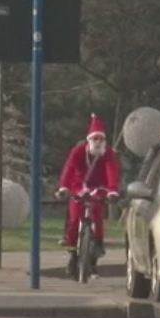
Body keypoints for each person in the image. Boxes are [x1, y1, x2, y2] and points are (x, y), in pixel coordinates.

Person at [55, 114, 120, 277]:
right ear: (89, 139)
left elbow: (111, 171)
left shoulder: (108, 153)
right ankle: (72, 253)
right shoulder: (78, 150)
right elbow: (68, 169)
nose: (98, 142)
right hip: (77, 186)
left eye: (101, 139)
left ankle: (96, 248)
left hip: (99, 188)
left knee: (97, 215)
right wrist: (63, 187)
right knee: (74, 215)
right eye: (95, 138)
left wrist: (112, 190)